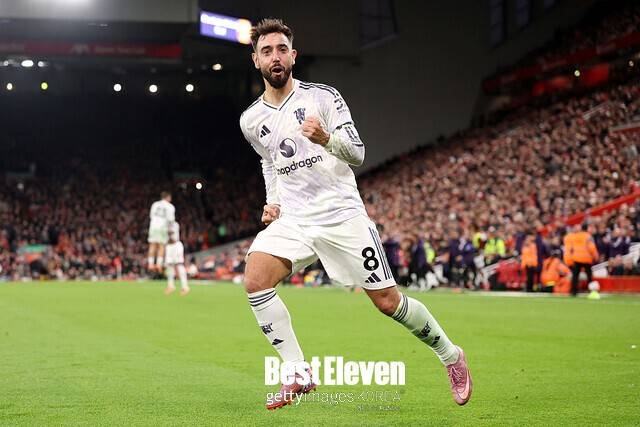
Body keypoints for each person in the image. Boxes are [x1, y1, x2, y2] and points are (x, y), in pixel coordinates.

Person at [239, 18, 471, 410]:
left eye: (281, 49)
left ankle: (451, 355)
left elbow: (358, 153)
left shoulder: (323, 97)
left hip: (341, 214)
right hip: (295, 219)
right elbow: (269, 162)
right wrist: (273, 200)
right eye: (267, 51)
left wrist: (326, 138)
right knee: (255, 279)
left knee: (388, 303)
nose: (275, 57)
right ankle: (297, 371)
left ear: (293, 56)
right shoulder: (251, 120)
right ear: (256, 60)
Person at [147, 191, 175, 272]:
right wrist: (170, 230)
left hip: (153, 226)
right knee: (161, 246)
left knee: (152, 245)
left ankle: (150, 264)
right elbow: (171, 220)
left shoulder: (155, 204)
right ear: (168, 197)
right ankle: (159, 264)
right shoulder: (170, 206)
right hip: (163, 227)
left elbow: (151, 216)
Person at [568, 223, 599, 296]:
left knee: (575, 276)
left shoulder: (575, 236)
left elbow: (571, 248)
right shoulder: (588, 236)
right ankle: (591, 291)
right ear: (587, 228)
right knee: (589, 276)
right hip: (586, 258)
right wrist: (596, 257)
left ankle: (573, 292)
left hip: (576, 258)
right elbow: (592, 247)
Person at [164, 222, 190, 296]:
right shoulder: (164, 224)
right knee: (169, 266)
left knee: (179, 265)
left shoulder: (174, 224)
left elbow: (170, 233)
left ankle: (185, 287)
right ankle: (170, 286)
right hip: (169, 246)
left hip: (176, 245)